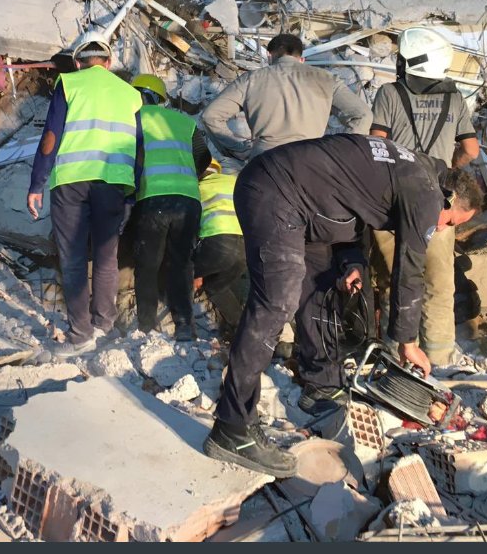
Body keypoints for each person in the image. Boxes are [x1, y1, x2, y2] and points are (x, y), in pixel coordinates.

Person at [202, 133, 484, 477]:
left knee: (323, 288)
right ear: (448, 198)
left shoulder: (414, 170)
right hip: (275, 191)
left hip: (307, 206)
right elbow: (410, 269)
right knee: (277, 300)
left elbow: (350, 200)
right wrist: (408, 342)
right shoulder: (425, 191)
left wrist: (352, 260)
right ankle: (233, 428)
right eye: (450, 221)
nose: (442, 229)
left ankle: (321, 383)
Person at [369, 27, 480, 366]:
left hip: (392, 199)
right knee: (439, 285)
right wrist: (449, 168)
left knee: (395, 279)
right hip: (440, 200)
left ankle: (395, 352)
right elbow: (472, 150)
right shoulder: (456, 98)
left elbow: (376, 143)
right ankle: (440, 357)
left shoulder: (389, 93)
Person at [27, 39, 143, 357]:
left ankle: (81, 333)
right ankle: (104, 326)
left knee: (74, 258)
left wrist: (37, 182)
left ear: (79, 63)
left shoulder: (70, 82)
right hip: (114, 183)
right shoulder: (131, 95)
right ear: (107, 62)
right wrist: (131, 196)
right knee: (107, 259)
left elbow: (51, 135)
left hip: (71, 181)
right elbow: (138, 147)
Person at [201, 32, 372, 162]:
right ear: (301, 58)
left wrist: (239, 149)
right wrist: (336, 155)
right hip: (311, 161)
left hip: (266, 161)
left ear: (269, 55)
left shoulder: (251, 79)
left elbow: (211, 116)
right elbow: (362, 115)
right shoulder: (327, 79)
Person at [130, 74, 210, 340]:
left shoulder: (134, 120)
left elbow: (128, 157)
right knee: (181, 264)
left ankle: (146, 326)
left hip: (152, 198)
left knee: (148, 264)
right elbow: (204, 157)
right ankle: (185, 325)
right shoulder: (185, 122)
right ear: (161, 98)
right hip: (188, 200)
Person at [193, 159, 247, 339]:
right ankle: (241, 331)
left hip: (218, 244)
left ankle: (181, 327)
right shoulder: (233, 182)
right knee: (217, 287)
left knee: (181, 271)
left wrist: (196, 272)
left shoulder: (197, 188)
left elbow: (191, 230)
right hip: (246, 248)